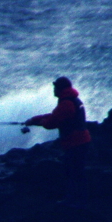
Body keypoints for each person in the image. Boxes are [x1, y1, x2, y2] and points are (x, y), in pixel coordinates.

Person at [23, 76, 91, 205]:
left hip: (76, 143)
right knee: (77, 172)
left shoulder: (66, 103)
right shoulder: (72, 100)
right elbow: (54, 116)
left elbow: (51, 122)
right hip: (80, 141)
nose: (53, 90)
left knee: (73, 173)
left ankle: (74, 201)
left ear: (60, 89)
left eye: (55, 87)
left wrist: (41, 122)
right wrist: (34, 120)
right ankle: (78, 199)